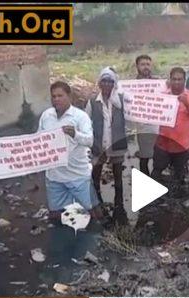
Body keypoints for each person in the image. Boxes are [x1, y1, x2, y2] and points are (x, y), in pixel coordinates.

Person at [38, 81, 103, 221]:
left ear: (69, 96)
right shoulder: (46, 115)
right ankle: (65, 239)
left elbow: (90, 141)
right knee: (56, 213)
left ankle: (96, 239)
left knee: (89, 212)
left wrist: (75, 134)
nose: (56, 99)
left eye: (60, 96)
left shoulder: (80, 116)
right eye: (53, 96)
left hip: (77, 174)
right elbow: (39, 139)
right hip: (54, 175)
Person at [85, 67, 128, 225]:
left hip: (117, 143)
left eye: (110, 81)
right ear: (99, 83)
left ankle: (119, 206)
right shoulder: (92, 102)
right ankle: (97, 203)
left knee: (118, 176)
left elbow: (135, 114)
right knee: (95, 175)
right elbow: (85, 121)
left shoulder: (122, 100)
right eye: (104, 81)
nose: (107, 84)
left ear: (114, 83)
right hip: (98, 145)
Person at [152, 67, 189, 194]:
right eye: (174, 79)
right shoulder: (162, 95)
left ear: (185, 80)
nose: (177, 82)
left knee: (180, 174)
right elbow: (150, 110)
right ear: (170, 80)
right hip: (163, 143)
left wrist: (187, 103)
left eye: (180, 79)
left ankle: (178, 200)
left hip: (182, 145)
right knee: (157, 170)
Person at [134, 54, 160, 175]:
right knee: (144, 157)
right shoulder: (131, 84)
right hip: (141, 127)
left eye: (148, 64)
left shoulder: (158, 83)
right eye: (143, 64)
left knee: (158, 156)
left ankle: (156, 180)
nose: (146, 67)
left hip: (157, 125)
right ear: (137, 66)